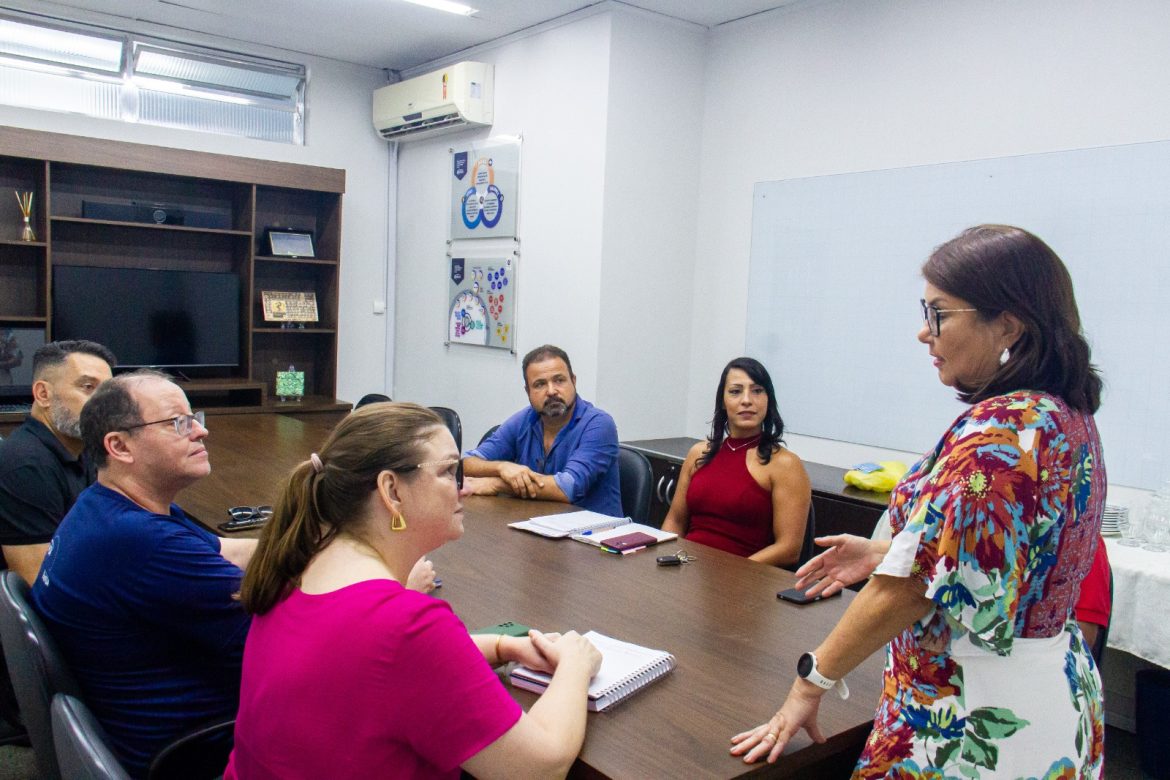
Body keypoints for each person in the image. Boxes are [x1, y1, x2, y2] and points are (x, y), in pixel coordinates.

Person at [730, 225, 1106, 778]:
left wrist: (810, 682)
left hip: (973, 714)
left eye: (939, 314)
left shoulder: (1001, 437)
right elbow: (1000, 560)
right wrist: (890, 552)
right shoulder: (1061, 416)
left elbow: (909, 592)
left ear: (1007, 322)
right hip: (1049, 701)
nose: (923, 333)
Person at [226, 402, 602, 779]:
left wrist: (499, 646)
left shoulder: (296, 567)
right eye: (448, 472)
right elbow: (540, 767)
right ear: (391, 490)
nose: (465, 488)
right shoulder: (407, 625)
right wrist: (575, 663)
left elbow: (368, 668)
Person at [31, 370, 258, 777]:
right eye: (178, 423)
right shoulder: (144, 543)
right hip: (200, 750)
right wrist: (395, 586)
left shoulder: (106, 507)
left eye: (195, 418)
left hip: (139, 727)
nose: (200, 433)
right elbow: (286, 637)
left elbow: (230, 550)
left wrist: (316, 543)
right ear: (119, 446)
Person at [660, 357, 811, 567]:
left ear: (768, 399)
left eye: (757, 391)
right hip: (687, 568)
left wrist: (734, 573)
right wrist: (669, 559)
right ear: (723, 401)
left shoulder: (785, 464)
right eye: (735, 391)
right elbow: (675, 520)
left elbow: (789, 549)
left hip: (743, 578)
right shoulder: (698, 453)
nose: (747, 400)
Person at [0, 340, 115, 585]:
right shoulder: (25, 466)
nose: (104, 404)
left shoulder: (84, 450)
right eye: (88, 387)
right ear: (43, 394)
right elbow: (40, 586)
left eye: (108, 392)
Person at [464, 344, 622, 516]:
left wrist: (497, 484)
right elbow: (465, 463)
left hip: (595, 535)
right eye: (540, 384)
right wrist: (501, 467)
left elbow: (568, 488)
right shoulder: (524, 420)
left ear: (573, 381)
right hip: (542, 526)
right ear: (528, 391)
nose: (552, 391)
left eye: (559, 380)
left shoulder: (598, 424)